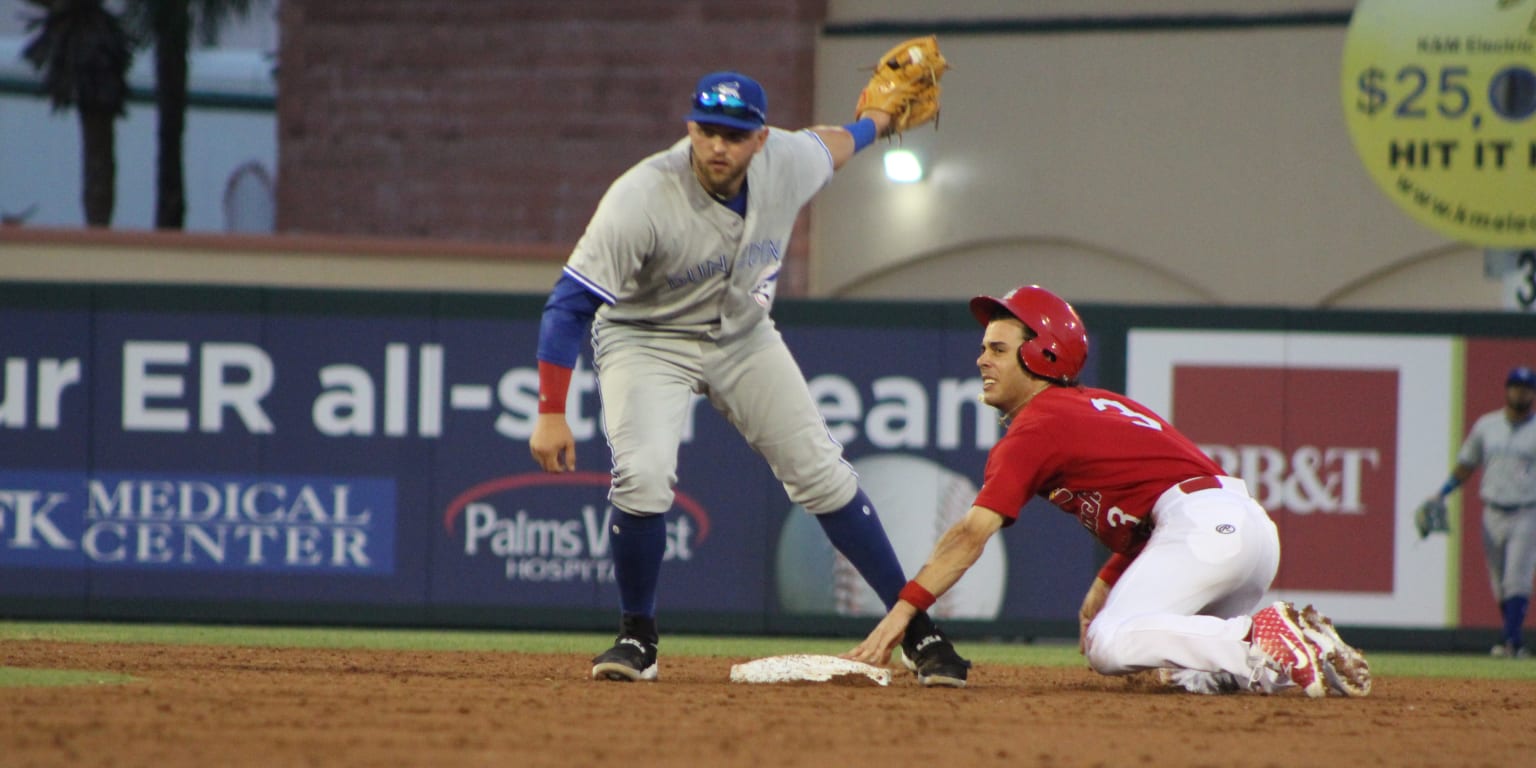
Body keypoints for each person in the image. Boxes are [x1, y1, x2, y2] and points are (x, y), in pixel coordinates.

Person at [528, 69, 970, 686]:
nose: (717, 146)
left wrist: (883, 122)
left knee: (822, 471)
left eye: (734, 135)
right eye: (707, 130)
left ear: (760, 139)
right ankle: (637, 636)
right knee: (645, 475)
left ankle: (917, 630)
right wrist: (551, 410)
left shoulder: (787, 160)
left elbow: (837, 143)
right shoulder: (641, 196)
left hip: (742, 337)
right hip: (647, 338)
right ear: (689, 127)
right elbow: (569, 304)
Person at [843, 284, 1374, 697]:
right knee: (1190, 673)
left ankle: (1257, 635)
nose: (982, 360)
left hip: (1205, 529)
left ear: (1043, 357)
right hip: (1242, 530)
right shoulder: (1092, 405)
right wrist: (1108, 579)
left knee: (1110, 644)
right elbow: (1163, 492)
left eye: (999, 349)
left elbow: (970, 532)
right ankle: (1306, 653)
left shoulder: (1038, 422)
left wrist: (902, 613)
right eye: (984, 348)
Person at [1427, 365, 1536, 658]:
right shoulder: (1487, 425)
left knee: (1517, 577)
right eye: (1515, 386)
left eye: (1526, 388)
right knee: (1500, 582)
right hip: (1492, 510)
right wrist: (1442, 493)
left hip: (1527, 511)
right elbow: (1467, 464)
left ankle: (1510, 641)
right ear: (1507, 390)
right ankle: (1514, 640)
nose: (1520, 392)